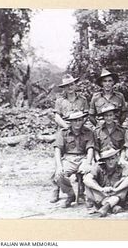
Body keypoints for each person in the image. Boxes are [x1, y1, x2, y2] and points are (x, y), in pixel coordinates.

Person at [50, 74, 89, 203]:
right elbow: (57, 117)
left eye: (72, 84)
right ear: (64, 88)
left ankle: (82, 191)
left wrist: (78, 126)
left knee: (83, 155)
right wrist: (67, 126)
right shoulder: (60, 101)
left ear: (75, 85)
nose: (70, 87)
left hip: (79, 127)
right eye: (67, 86)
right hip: (64, 129)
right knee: (59, 161)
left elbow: (86, 115)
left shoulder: (82, 99)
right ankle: (56, 188)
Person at [53, 111, 95, 208]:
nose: (77, 123)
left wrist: (88, 163)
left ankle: (87, 196)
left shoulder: (88, 132)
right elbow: (57, 150)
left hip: (83, 157)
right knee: (59, 175)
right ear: (70, 122)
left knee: (90, 173)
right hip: (69, 158)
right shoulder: (63, 133)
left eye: (80, 120)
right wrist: (59, 166)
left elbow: (90, 149)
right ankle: (71, 194)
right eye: (75, 121)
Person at [83, 148, 128, 217]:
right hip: (101, 196)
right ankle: (111, 207)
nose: (110, 162)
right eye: (108, 159)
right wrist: (101, 189)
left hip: (116, 194)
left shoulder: (122, 167)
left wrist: (116, 189)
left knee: (125, 182)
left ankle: (106, 207)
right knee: (89, 183)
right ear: (104, 161)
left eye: (112, 158)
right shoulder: (98, 167)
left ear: (117, 158)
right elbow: (86, 179)